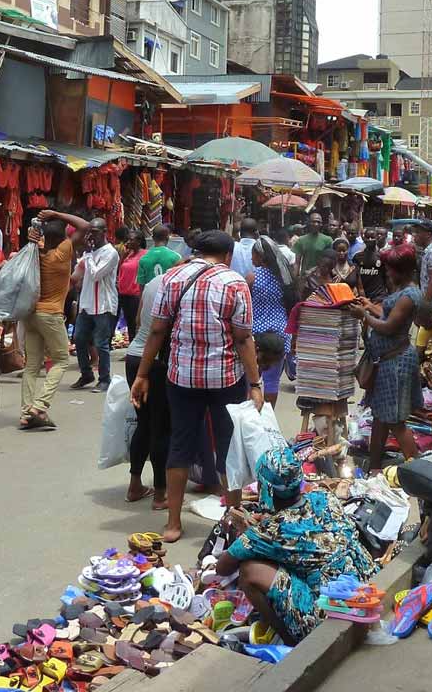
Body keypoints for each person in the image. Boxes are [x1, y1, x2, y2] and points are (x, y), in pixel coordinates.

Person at [129, 230, 263, 543]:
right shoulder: (234, 282)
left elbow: (157, 330)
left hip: (181, 378)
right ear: (228, 255)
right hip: (225, 378)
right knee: (228, 447)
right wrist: (255, 383)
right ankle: (232, 521)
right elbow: (243, 338)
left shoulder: (172, 279)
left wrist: (142, 374)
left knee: (180, 445)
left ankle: (173, 523)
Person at [215, 446, 377, 645]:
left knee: (250, 571)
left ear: (267, 489)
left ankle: (291, 641)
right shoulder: (324, 497)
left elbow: (222, 568)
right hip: (369, 591)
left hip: (332, 614)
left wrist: (246, 534)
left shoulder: (271, 531)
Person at [347, 244, 422, 470]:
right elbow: (388, 314)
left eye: (390, 269)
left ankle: (419, 471)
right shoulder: (402, 291)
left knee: (395, 420)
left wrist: (364, 316)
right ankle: (375, 465)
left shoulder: (409, 295)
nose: (387, 272)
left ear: (402, 270)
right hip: (387, 360)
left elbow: (389, 327)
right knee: (380, 416)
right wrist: (370, 306)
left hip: (396, 362)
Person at [20, 209, 91, 429]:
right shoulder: (63, 251)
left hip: (31, 314)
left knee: (32, 366)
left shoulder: (35, 253)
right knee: (61, 360)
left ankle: (26, 412)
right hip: (50, 314)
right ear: (62, 238)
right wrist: (57, 214)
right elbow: (85, 226)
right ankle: (39, 406)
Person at [125, 272, 171, 509]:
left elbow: (137, 321)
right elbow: (160, 330)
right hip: (156, 360)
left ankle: (135, 485)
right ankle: (161, 494)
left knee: (143, 423)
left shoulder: (153, 282)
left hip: (134, 355)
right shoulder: (178, 284)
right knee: (161, 428)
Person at [69, 218, 120, 393]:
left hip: (103, 305)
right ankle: (86, 374)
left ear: (104, 232)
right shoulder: (88, 254)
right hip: (86, 304)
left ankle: (104, 379)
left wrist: (89, 254)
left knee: (101, 343)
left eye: (95, 232)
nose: (91, 236)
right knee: (79, 339)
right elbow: (77, 275)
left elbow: (96, 274)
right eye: (89, 232)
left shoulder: (110, 253)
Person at [246, 238, 294, 406]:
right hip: (281, 332)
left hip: (256, 334)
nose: (251, 258)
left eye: (253, 255)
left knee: (252, 378)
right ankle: (269, 416)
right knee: (272, 380)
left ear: (260, 256)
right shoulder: (284, 278)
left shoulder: (252, 278)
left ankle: (252, 413)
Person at [117, 229, 146, 341]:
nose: (128, 242)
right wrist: (123, 257)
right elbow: (119, 270)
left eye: (131, 240)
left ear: (139, 241)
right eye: (127, 240)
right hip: (124, 293)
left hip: (135, 295)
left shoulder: (144, 255)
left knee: (135, 323)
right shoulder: (128, 254)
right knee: (129, 323)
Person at [293, 212, 334, 277]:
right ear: (309, 223)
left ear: (321, 224)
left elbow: (330, 261)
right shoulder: (301, 240)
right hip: (305, 276)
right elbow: (297, 262)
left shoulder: (328, 240)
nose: (316, 224)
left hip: (322, 277)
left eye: (318, 222)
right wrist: (295, 278)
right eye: (313, 221)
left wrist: (314, 270)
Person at [355, 227, 387, 302]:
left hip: (378, 297)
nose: (370, 240)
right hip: (363, 296)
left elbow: (387, 278)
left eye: (372, 237)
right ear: (364, 239)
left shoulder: (382, 257)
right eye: (367, 237)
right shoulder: (357, 257)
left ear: (376, 239)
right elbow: (357, 278)